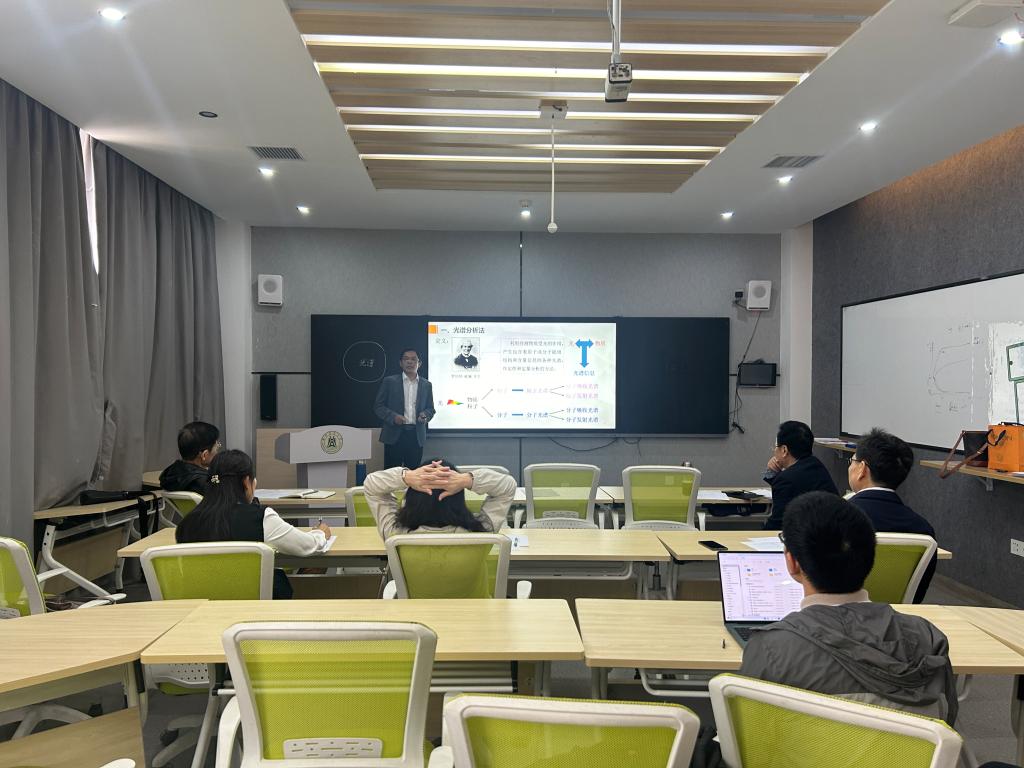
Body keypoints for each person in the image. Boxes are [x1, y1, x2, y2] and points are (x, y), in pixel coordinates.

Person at [740, 492, 958, 724]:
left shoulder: (769, 648)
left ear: (792, 562)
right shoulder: (929, 639)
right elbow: (947, 724)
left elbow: (749, 731)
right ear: (871, 558)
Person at [175, 449, 331, 599]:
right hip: (258, 609)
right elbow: (308, 545)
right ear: (246, 482)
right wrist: (320, 533)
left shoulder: (186, 524)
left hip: (205, 609)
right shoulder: (261, 518)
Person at [848, 427, 937, 603]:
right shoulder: (923, 529)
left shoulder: (832, 518)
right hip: (895, 616)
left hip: (836, 616)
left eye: (852, 461)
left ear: (862, 469)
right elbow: (917, 594)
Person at [363, 459, 514, 539]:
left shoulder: (395, 534)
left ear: (413, 497)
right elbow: (508, 486)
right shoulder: (481, 533)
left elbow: (371, 484)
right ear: (458, 499)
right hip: (469, 592)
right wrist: (467, 480)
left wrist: (406, 477)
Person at [763, 420, 839, 530]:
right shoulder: (816, 464)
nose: (774, 451)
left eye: (776, 446)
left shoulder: (787, 479)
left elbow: (777, 524)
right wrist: (772, 472)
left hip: (810, 536)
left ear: (784, 450)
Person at [374, 348, 435, 469]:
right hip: (394, 434)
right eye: (406, 359)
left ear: (419, 363)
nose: (409, 362)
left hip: (416, 436)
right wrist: (393, 417)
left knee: (413, 473)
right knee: (392, 473)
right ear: (400, 363)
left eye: (413, 359)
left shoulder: (426, 385)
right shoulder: (390, 381)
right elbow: (378, 406)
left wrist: (425, 415)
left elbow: (430, 409)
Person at [158, 421, 221, 494]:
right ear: (204, 455)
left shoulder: (169, 475)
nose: (217, 452)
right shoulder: (208, 484)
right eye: (217, 448)